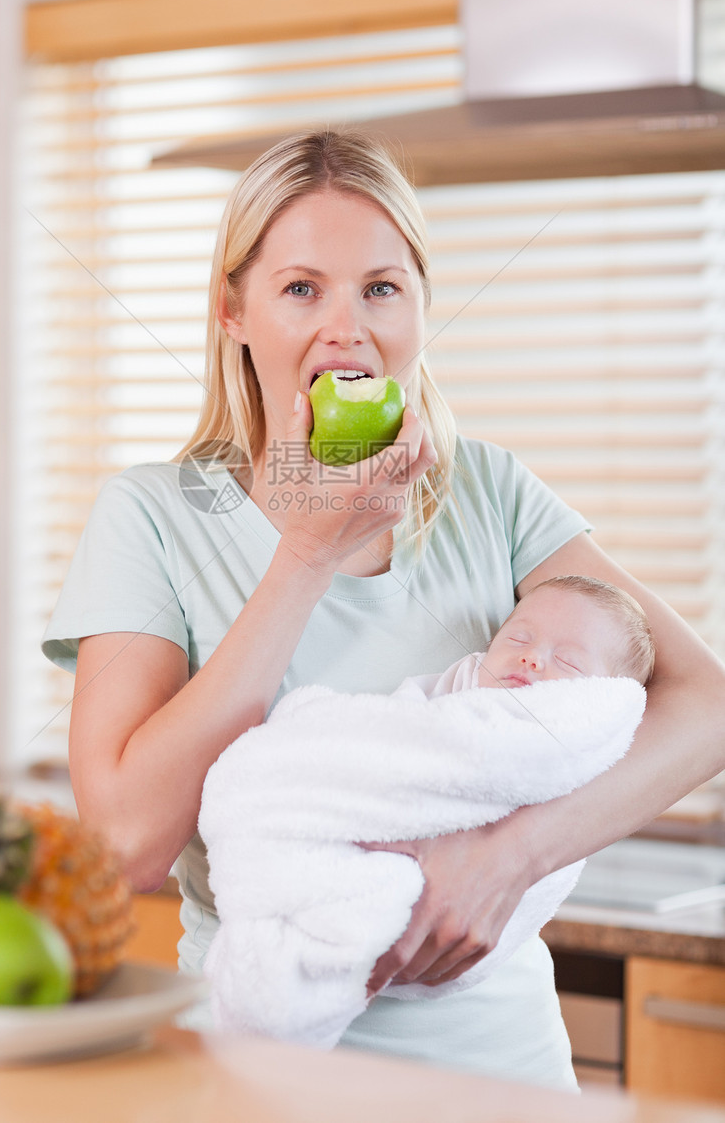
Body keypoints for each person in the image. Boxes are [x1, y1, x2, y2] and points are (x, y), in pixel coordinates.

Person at [42, 129, 725, 1090]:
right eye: (301, 288)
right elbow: (124, 848)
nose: (345, 327)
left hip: (507, 1083)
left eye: (381, 287)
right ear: (233, 310)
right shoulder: (155, 517)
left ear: (419, 306)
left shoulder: (488, 490)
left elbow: (707, 701)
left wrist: (509, 858)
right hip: (263, 1078)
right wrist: (308, 554)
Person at [420, 573, 655, 698]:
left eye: (567, 661)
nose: (531, 656)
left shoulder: (584, 729)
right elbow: (405, 710)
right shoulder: (468, 674)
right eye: (517, 639)